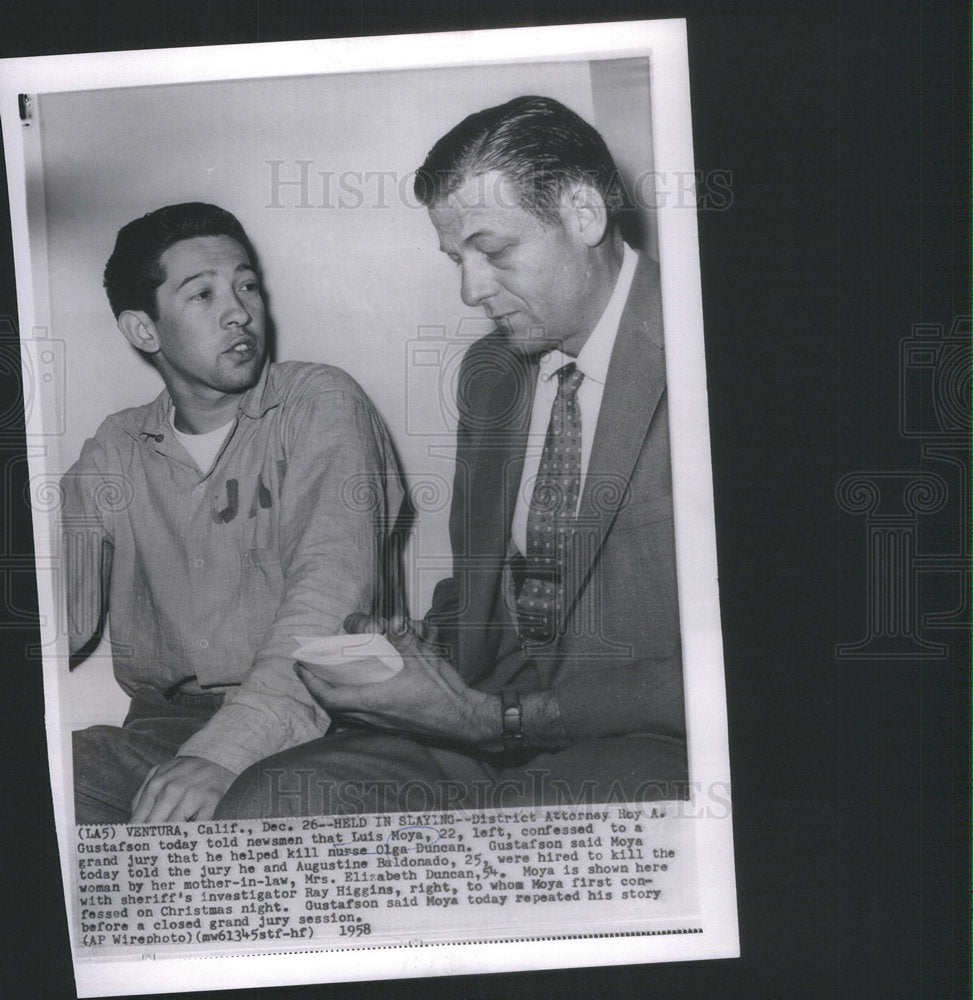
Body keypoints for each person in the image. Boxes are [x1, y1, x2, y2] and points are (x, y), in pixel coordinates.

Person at [216, 96, 686, 817]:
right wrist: (410, 650)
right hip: (483, 715)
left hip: (649, 740)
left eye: (493, 251)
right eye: (456, 259)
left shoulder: (704, 350)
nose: (471, 290)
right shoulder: (492, 374)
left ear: (585, 214)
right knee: (266, 803)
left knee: (523, 839)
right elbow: (487, 585)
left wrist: (497, 720)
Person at [65, 202, 404, 824]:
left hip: (334, 726)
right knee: (47, 781)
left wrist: (225, 753)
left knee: (254, 807)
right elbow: (50, 611)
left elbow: (330, 598)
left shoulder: (320, 401)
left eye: (247, 286)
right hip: (165, 734)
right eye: (203, 294)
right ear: (144, 330)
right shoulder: (117, 447)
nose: (240, 312)